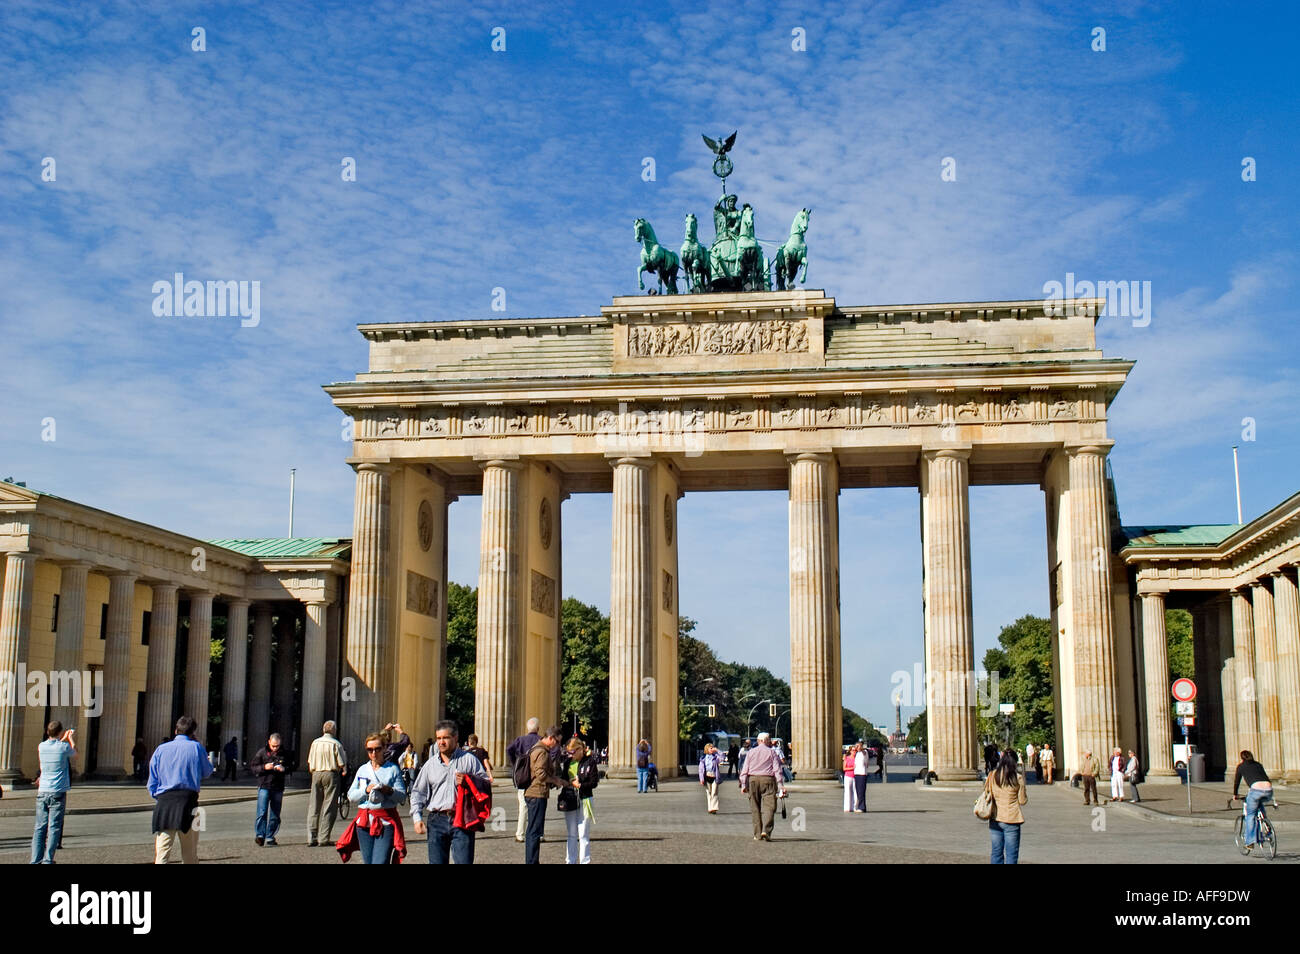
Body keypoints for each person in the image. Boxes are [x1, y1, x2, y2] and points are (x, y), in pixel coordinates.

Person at [409, 719, 490, 864]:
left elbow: (485, 785)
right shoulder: (430, 765)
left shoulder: (469, 760)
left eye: (445, 738)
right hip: (436, 820)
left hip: (462, 819)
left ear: (455, 738)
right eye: (438, 738)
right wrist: (417, 818)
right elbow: (418, 793)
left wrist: (469, 780)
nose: (441, 742)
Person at [147, 715, 213, 864]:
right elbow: (207, 772)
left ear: (176, 730)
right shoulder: (196, 747)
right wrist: (199, 746)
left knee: (162, 855)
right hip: (188, 802)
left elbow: (152, 781)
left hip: (165, 803)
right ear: (193, 733)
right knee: (190, 854)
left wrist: (159, 797)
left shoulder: (160, 749)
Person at [342, 731, 408, 864]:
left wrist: (389, 790)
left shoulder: (393, 769)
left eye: (377, 749)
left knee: (380, 861)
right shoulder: (362, 769)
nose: (373, 753)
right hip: (364, 822)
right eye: (370, 750)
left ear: (384, 748)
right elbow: (351, 795)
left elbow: (402, 797)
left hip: (385, 821)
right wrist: (366, 790)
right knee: (368, 861)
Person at [524, 725, 575, 864]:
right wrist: (555, 780)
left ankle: (531, 860)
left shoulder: (536, 748)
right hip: (537, 793)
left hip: (533, 792)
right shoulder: (542, 752)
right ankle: (532, 861)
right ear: (550, 738)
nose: (558, 745)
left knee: (532, 831)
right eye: (557, 742)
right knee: (535, 831)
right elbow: (540, 774)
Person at [31, 721, 76, 864]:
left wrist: (62, 738)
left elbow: (55, 747)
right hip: (57, 791)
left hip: (43, 789)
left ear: (47, 732)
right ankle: (48, 859)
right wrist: (70, 738)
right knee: (54, 827)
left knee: (39, 827)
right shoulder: (64, 747)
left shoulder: (41, 746)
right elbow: (74, 752)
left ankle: (35, 860)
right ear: (60, 732)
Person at [306, 720, 347, 847]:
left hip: (316, 773)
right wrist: (344, 770)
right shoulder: (336, 744)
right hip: (331, 774)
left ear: (323, 730)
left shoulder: (315, 743)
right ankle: (323, 838)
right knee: (329, 806)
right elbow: (341, 763)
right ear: (333, 730)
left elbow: (309, 761)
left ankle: (311, 837)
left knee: (314, 806)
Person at [559, 737, 600, 864]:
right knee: (571, 833)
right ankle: (570, 861)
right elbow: (564, 778)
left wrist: (580, 785)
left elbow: (594, 782)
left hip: (585, 798)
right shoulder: (567, 763)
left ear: (580, 749)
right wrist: (566, 783)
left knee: (583, 834)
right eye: (568, 753)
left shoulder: (590, 762)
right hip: (570, 798)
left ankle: (584, 861)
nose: (570, 755)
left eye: (572, 752)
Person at [740, 733, 786, 840]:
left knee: (755, 807)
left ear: (758, 740)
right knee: (770, 807)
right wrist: (780, 784)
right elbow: (777, 769)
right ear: (765, 740)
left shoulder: (751, 752)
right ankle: (766, 830)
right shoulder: (772, 752)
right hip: (768, 780)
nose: (770, 741)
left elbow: (744, 769)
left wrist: (743, 784)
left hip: (753, 780)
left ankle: (757, 834)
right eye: (769, 739)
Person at [986, 748, 1028, 864]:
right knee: (1011, 855)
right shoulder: (1017, 777)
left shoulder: (992, 775)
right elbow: (1022, 800)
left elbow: (987, 793)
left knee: (996, 853)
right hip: (1011, 818)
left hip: (995, 817)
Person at [506, 717, 542, 843]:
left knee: (523, 806)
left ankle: (520, 834)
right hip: (537, 778)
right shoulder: (540, 740)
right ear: (538, 728)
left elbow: (509, 749)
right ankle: (538, 833)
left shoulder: (520, 740)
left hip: (523, 777)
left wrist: (515, 763)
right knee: (538, 808)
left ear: (527, 728)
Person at [251, 733, 288, 846]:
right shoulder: (262, 752)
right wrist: (264, 767)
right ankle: (260, 835)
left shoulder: (284, 753)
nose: (275, 748)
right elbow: (253, 767)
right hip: (264, 785)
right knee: (262, 812)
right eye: (273, 746)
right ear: (269, 742)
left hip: (278, 786)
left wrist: (284, 769)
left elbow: (292, 766)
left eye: (277, 746)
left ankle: (270, 836)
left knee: (275, 814)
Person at [1232, 750, 1273, 852]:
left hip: (1255, 790)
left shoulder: (1241, 767)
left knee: (1250, 815)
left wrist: (1235, 794)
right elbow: (1266, 777)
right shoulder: (1258, 764)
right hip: (1268, 790)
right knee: (1259, 805)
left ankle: (1250, 842)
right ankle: (1267, 828)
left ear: (1242, 758)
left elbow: (1237, 781)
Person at [699, 743, 721, 814]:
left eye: (712, 747)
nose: (712, 749)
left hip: (715, 776)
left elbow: (723, 757)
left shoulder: (716, 757)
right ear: (707, 749)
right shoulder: (703, 758)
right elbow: (701, 769)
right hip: (707, 776)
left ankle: (714, 808)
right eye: (710, 748)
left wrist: (717, 750)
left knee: (714, 792)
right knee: (709, 793)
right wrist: (701, 779)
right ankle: (710, 808)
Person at [853, 742, 869, 812]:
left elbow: (864, 754)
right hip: (856, 773)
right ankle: (861, 806)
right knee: (858, 791)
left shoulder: (864, 752)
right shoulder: (857, 754)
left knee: (861, 791)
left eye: (858, 746)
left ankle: (861, 807)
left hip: (862, 774)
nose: (856, 747)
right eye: (856, 746)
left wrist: (861, 748)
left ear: (861, 746)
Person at [842, 744, 857, 812]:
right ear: (850, 751)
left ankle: (854, 807)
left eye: (855, 750)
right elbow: (844, 768)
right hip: (848, 777)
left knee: (855, 792)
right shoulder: (847, 758)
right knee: (847, 792)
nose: (854, 752)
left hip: (855, 777)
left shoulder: (857, 758)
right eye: (853, 750)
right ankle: (847, 808)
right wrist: (852, 768)